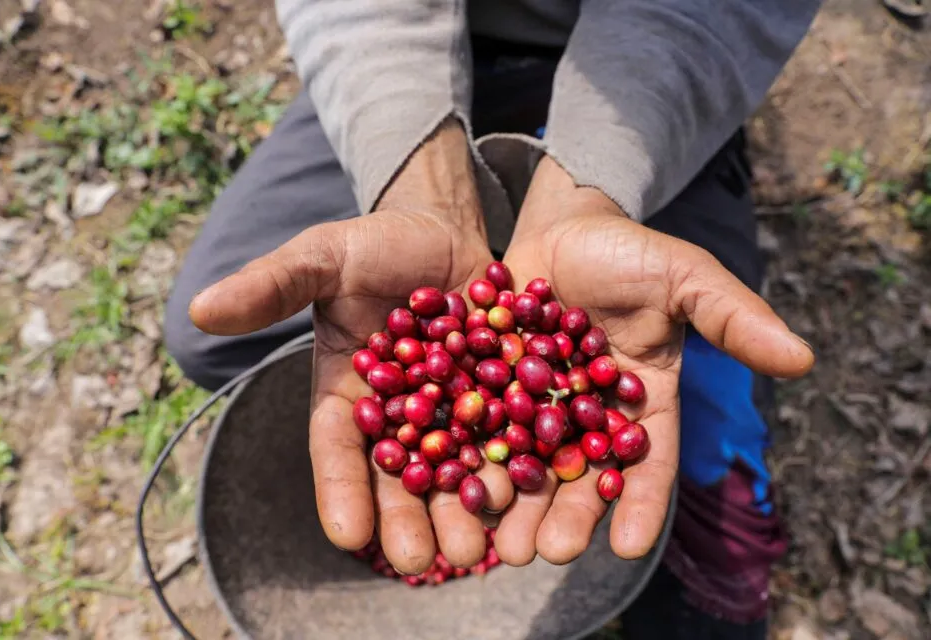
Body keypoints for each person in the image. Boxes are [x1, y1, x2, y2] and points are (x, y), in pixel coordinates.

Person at [165, 2, 820, 638]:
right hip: (405, 64)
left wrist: (596, 190)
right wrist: (417, 183)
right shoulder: (474, 383)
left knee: (705, 412)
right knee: (212, 339)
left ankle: (702, 475)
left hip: (666, 63)